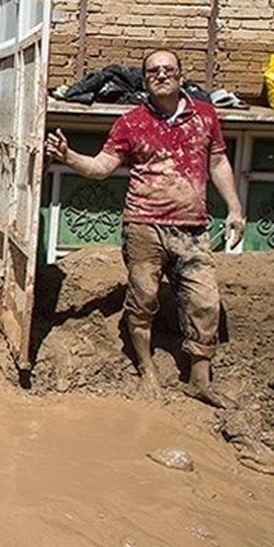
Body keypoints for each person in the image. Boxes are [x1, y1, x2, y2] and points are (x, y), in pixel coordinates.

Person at [44, 48, 246, 408]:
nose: (162, 75)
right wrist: (68, 156)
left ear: (181, 76)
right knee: (143, 300)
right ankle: (147, 370)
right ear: (146, 80)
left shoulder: (204, 116)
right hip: (143, 227)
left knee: (205, 302)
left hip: (192, 229)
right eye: (154, 71)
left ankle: (200, 380)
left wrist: (235, 207)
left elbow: (217, 162)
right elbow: (102, 167)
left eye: (169, 69)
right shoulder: (131, 122)